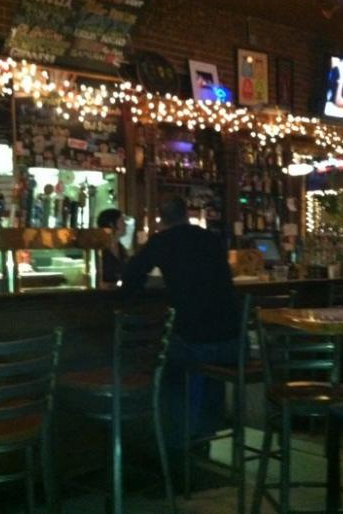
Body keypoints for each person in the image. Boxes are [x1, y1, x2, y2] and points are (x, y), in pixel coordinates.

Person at [121, 196, 239, 478]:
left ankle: (175, 451)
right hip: (234, 342)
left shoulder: (161, 241)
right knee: (206, 368)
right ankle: (203, 439)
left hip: (195, 342)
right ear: (187, 214)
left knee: (170, 367)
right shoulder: (209, 238)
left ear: (160, 219)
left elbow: (131, 277)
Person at [97, 208, 128, 286]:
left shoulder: (121, 248)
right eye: (122, 221)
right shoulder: (100, 249)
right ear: (111, 224)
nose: (125, 224)